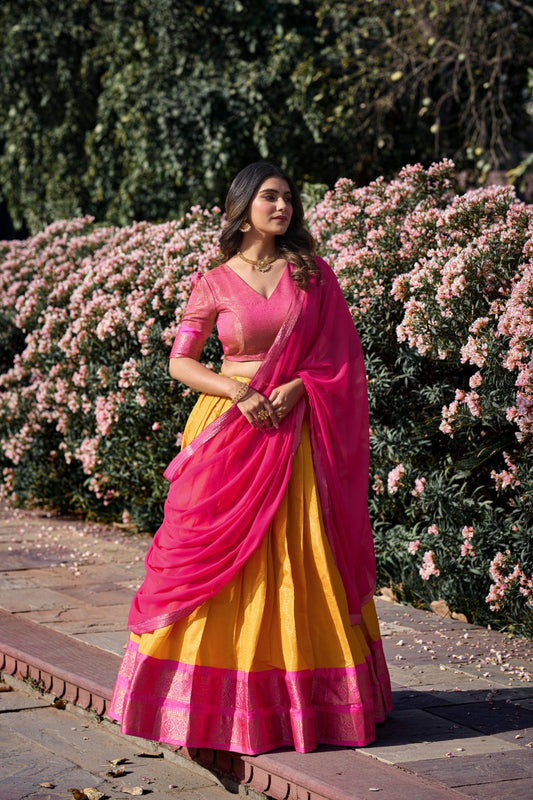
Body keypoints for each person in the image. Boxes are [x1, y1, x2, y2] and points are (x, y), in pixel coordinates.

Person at [109, 162, 392, 755]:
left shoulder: (311, 274)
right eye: (270, 197)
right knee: (209, 554)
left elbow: (339, 357)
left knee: (298, 558)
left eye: (288, 197)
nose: (283, 207)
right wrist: (238, 390)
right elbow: (179, 361)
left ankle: (305, 700)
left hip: (296, 430)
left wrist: (296, 388)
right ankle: (207, 703)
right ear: (242, 206)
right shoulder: (212, 282)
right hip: (228, 430)